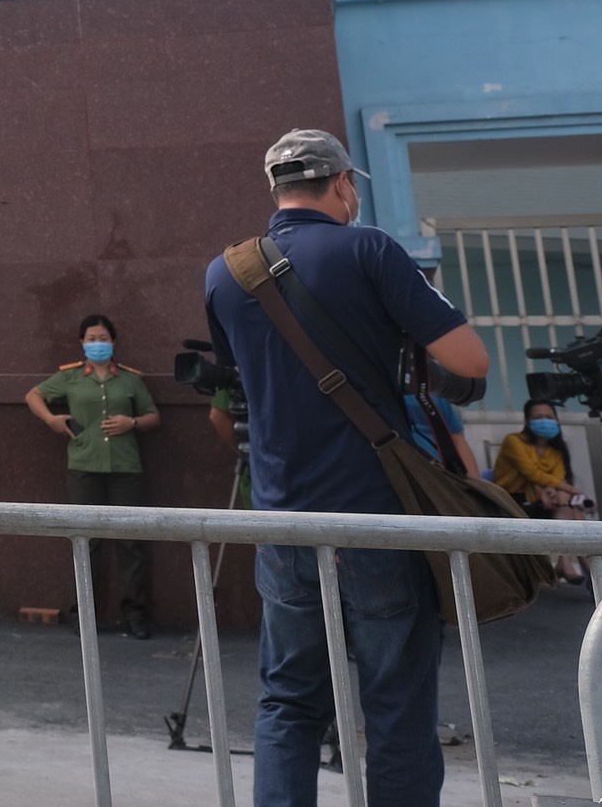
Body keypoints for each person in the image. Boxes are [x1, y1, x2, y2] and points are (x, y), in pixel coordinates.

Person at [205, 128, 491, 807]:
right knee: (395, 707)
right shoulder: (369, 249)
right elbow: (471, 363)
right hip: (376, 517)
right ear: (341, 183)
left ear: (276, 188)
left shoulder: (225, 272)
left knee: (288, 703)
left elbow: (233, 385)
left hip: (281, 522)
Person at [24, 313, 161, 638]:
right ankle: (84, 614)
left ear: (113, 342)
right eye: (91, 339)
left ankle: (136, 614)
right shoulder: (70, 378)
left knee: (131, 542)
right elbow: (33, 395)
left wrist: (133, 423)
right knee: (87, 541)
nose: (97, 344)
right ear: (82, 343)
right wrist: (52, 421)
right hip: (84, 467)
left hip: (125, 469)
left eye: (103, 338)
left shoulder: (130, 380)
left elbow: (154, 416)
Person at [493, 400, 591, 582]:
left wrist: (558, 492)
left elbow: (557, 478)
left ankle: (567, 563)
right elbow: (532, 473)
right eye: (538, 417)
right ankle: (587, 571)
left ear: (556, 420)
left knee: (571, 510)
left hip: (542, 502)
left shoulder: (556, 450)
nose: (544, 421)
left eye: (549, 417)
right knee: (572, 511)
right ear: (527, 421)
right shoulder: (513, 441)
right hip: (512, 502)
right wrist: (570, 490)